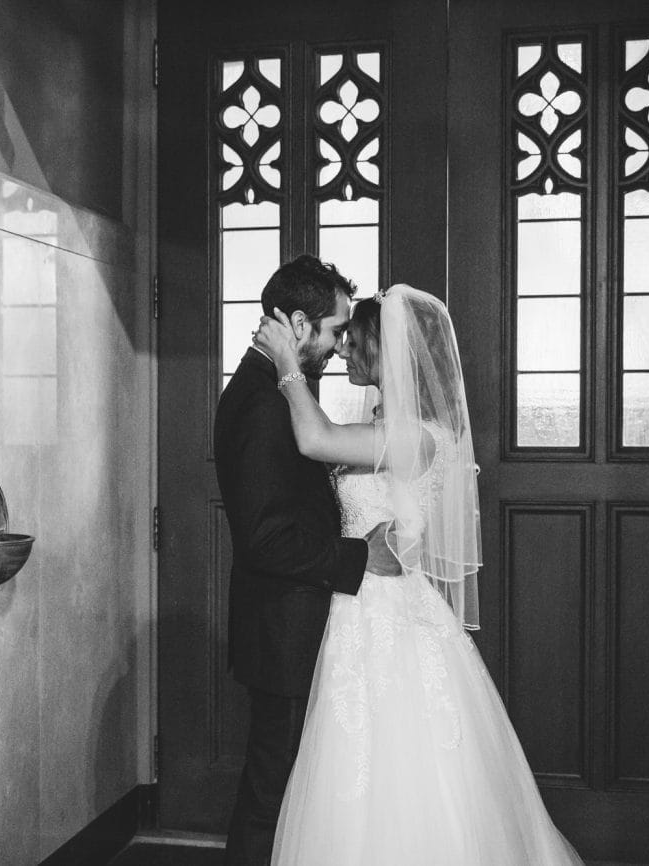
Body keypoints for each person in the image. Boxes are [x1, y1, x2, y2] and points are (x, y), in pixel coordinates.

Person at [253, 284, 585, 866]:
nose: (344, 351)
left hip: (387, 611)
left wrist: (286, 363)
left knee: (402, 763)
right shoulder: (388, 427)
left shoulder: (418, 436)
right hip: (358, 602)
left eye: (355, 342)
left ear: (388, 354)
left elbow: (315, 439)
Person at [215, 255, 401, 866]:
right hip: (283, 633)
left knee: (292, 790)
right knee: (271, 793)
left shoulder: (275, 390)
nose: (341, 344)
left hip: (300, 626)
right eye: (335, 330)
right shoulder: (261, 403)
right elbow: (266, 539)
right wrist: (358, 556)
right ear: (298, 326)